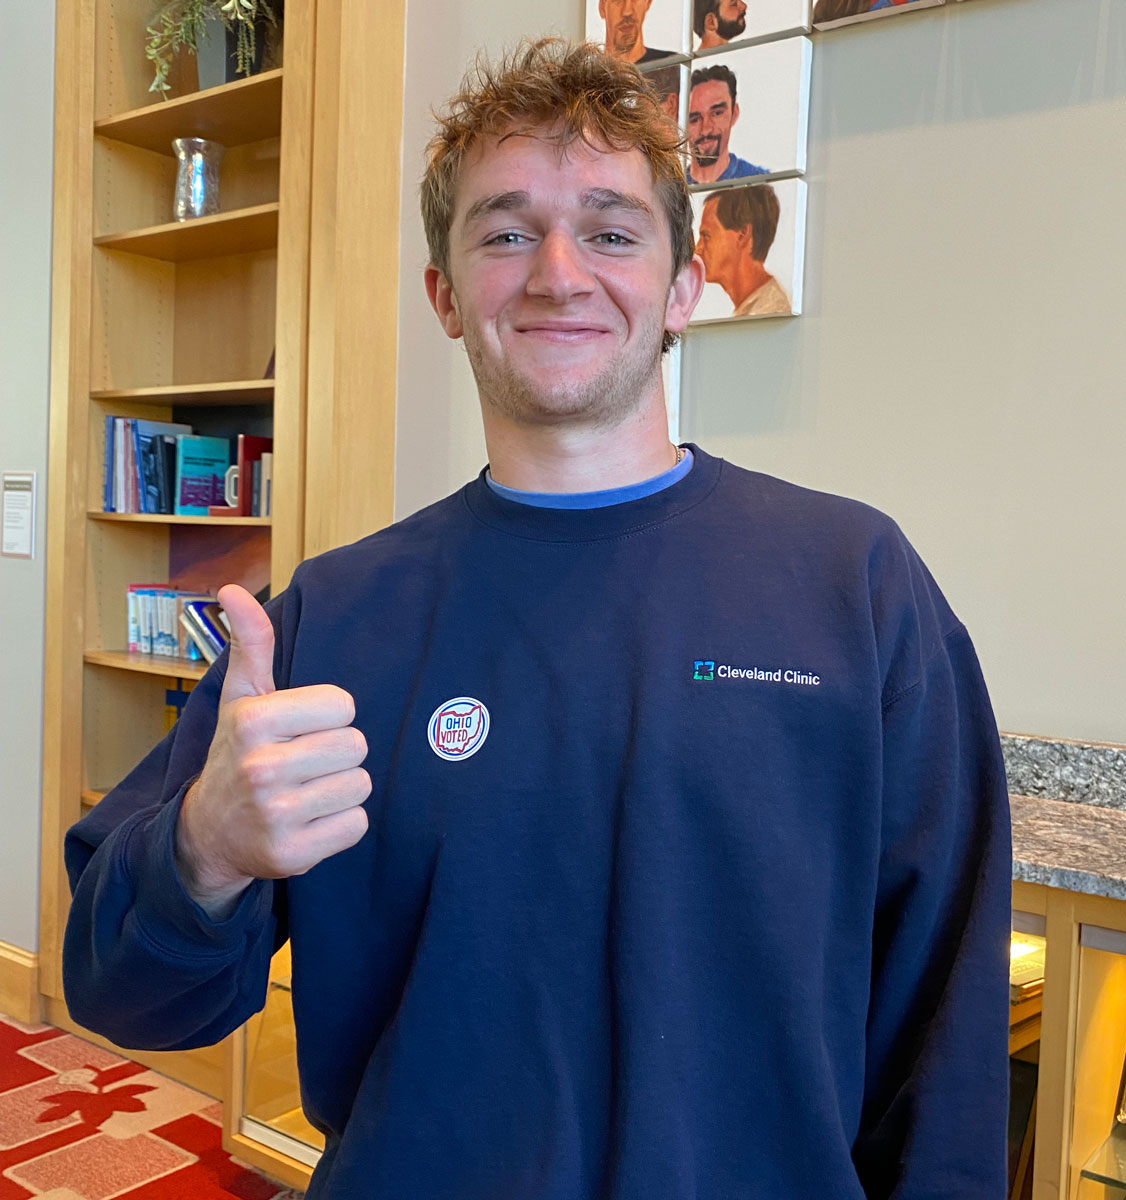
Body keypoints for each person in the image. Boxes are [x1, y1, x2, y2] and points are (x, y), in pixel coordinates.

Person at [62, 37, 1012, 1200]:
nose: (560, 273)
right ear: (446, 296)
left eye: (611, 231)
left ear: (680, 288)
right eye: (506, 232)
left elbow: (944, 1028)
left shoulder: (855, 582)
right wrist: (202, 852)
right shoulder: (334, 619)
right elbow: (123, 994)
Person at [696, 184, 792, 316]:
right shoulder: (755, 308)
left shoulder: (769, 310)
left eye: (706, 236)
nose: (698, 249)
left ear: (742, 235)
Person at [685, 63, 768, 185]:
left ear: (734, 113)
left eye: (717, 113)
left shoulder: (760, 181)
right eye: (695, 119)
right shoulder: (668, 190)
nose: (706, 130)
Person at [597, 0, 673, 63]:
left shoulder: (673, 67)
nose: (627, 11)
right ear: (602, 8)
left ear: (648, 3)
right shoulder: (589, 76)